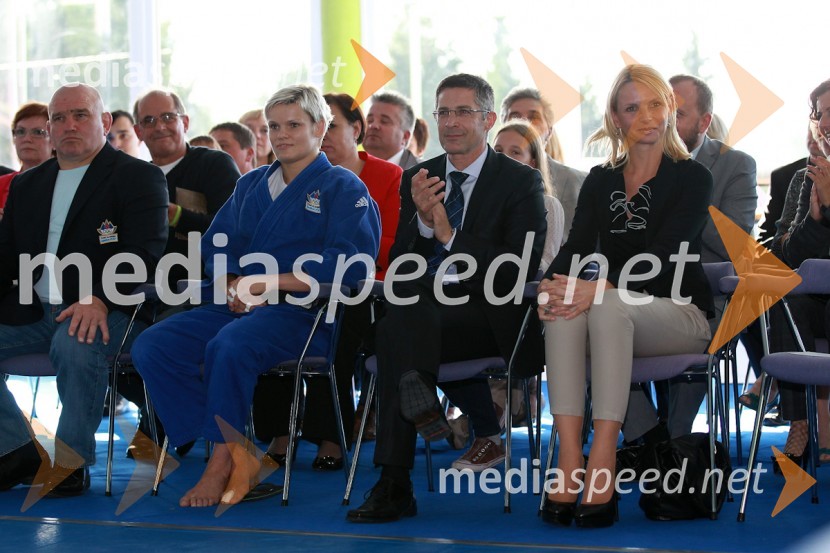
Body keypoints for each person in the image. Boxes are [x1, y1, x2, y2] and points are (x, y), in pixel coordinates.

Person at [131, 84, 381, 508]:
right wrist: (231, 279)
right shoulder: (250, 186)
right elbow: (216, 245)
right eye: (274, 126)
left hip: (305, 315)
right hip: (239, 305)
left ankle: (222, 460)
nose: (281, 134)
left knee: (229, 345)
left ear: (320, 128)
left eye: (294, 125)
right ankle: (234, 444)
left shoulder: (344, 187)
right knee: (153, 346)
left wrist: (270, 282)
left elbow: (352, 264)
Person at [346, 73, 546, 523]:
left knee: (395, 328)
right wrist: (418, 223)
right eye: (443, 112)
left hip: (485, 318)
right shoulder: (420, 176)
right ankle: (414, 409)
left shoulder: (520, 182)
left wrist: (449, 235)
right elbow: (399, 266)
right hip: (424, 314)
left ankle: (394, 482)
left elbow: (517, 270)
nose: (451, 122)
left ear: (490, 119)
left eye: (463, 112)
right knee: (405, 315)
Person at [537, 65, 714, 528]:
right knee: (562, 310)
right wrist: (551, 286)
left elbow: (668, 255)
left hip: (681, 313)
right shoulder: (600, 179)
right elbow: (575, 249)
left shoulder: (692, 178)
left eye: (656, 104)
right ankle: (570, 458)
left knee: (604, 303)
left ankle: (603, 460)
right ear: (616, 118)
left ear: (670, 109)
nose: (646, 116)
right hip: (614, 313)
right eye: (633, 107)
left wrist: (601, 286)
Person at [0, 83, 168, 496]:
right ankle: (18, 448)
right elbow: (6, 258)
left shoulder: (138, 176)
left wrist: (100, 297)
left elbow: (144, 254)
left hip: (111, 304)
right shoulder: (28, 185)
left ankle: (70, 462)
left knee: (75, 342)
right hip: (34, 307)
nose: (69, 125)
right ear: (50, 130)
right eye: (59, 118)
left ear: (105, 122)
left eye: (80, 115)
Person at [252, 92, 401, 469]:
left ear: (357, 129)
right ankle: (279, 431)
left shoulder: (386, 176)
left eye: (334, 125)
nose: (327, 134)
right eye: (277, 127)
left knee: (337, 314)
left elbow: (394, 246)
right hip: (292, 283)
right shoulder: (281, 179)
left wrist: (327, 257)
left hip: (367, 287)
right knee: (263, 316)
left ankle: (331, 435)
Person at [501, 87, 587, 240]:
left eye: (533, 117)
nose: (525, 123)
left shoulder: (579, 181)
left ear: (549, 131)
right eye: (515, 117)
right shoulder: (482, 179)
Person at [493, 120, 565, 271]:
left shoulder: (548, 205)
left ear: (533, 162)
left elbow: (547, 264)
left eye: (515, 152)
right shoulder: (479, 201)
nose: (504, 158)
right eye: (498, 151)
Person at [0, 102, 53, 216]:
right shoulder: (2, 184)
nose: (27, 139)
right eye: (20, 132)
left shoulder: (64, 184)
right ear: (14, 139)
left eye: (38, 132)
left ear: (54, 139)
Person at [364, 91, 420, 169]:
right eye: (369, 120)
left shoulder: (423, 174)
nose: (373, 126)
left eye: (384, 121)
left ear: (405, 136)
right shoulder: (349, 168)